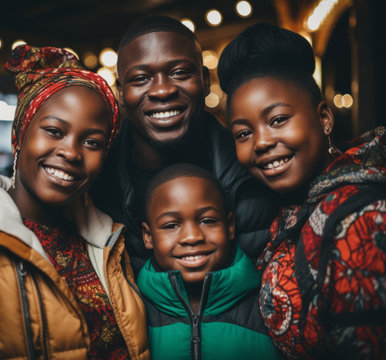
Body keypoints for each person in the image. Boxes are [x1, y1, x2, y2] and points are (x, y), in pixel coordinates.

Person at [0, 45, 149, 360]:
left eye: (92, 142)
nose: (71, 152)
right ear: (20, 133)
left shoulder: (109, 244)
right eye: (54, 131)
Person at [217, 22, 386, 359]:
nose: (261, 142)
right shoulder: (295, 206)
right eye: (243, 133)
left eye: (277, 119)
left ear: (324, 117)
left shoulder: (362, 219)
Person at [89, 15, 279, 273]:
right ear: (121, 92)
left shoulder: (259, 169)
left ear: (204, 80)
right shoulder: (91, 186)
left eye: (179, 73)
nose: (162, 90)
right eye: (141, 78)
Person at [137, 163, 283, 360]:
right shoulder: (132, 310)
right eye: (171, 225)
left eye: (207, 221)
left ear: (230, 226)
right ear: (148, 236)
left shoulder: (270, 301)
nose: (192, 237)